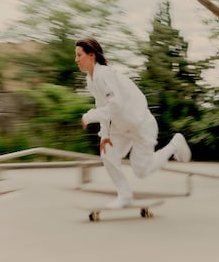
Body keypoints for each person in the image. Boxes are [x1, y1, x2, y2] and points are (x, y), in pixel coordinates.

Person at [75, 37, 191, 209]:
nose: (76, 59)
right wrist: (105, 134)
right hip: (121, 128)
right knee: (107, 153)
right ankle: (125, 196)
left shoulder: (104, 74)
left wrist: (90, 116)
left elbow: (116, 104)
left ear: (91, 55)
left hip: (141, 125)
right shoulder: (91, 80)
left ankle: (175, 144)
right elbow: (102, 105)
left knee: (141, 171)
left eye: (79, 55)